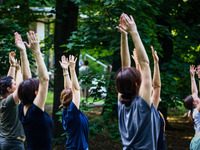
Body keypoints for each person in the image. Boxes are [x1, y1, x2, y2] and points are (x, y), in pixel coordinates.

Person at [116, 13, 160, 150]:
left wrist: (124, 36)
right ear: (137, 84)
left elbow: (125, 68)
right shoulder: (142, 104)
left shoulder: (121, 103)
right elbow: (145, 63)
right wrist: (133, 32)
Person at [18, 31, 54, 150]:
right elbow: (44, 79)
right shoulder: (35, 111)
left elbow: (26, 81)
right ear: (36, 93)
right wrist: (36, 51)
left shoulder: (22, 107)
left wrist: (23, 52)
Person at [132, 46, 166, 150]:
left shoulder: (154, 111)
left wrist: (156, 63)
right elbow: (156, 86)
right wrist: (154, 64)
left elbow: (155, 87)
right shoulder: (148, 108)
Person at [59, 55, 89, 150]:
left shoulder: (67, 111)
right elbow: (75, 89)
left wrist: (65, 71)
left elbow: (68, 90)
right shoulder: (73, 112)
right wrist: (72, 68)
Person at [0, 51, 25, 150]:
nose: (15, 85)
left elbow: (8, 81)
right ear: (8, 89)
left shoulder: (3, 99)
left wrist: (12, 65)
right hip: (13, 143)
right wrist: (18, 70)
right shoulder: (8, 102)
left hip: (6, 141)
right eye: (13, 84)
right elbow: (20, 87)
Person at [184, 65, 200, 150]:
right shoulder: (197, 112)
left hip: (195, 141)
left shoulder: (192, 111)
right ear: (194, 102)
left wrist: (192, 76)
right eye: (194, 97)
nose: (196, 96)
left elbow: (194, 91)